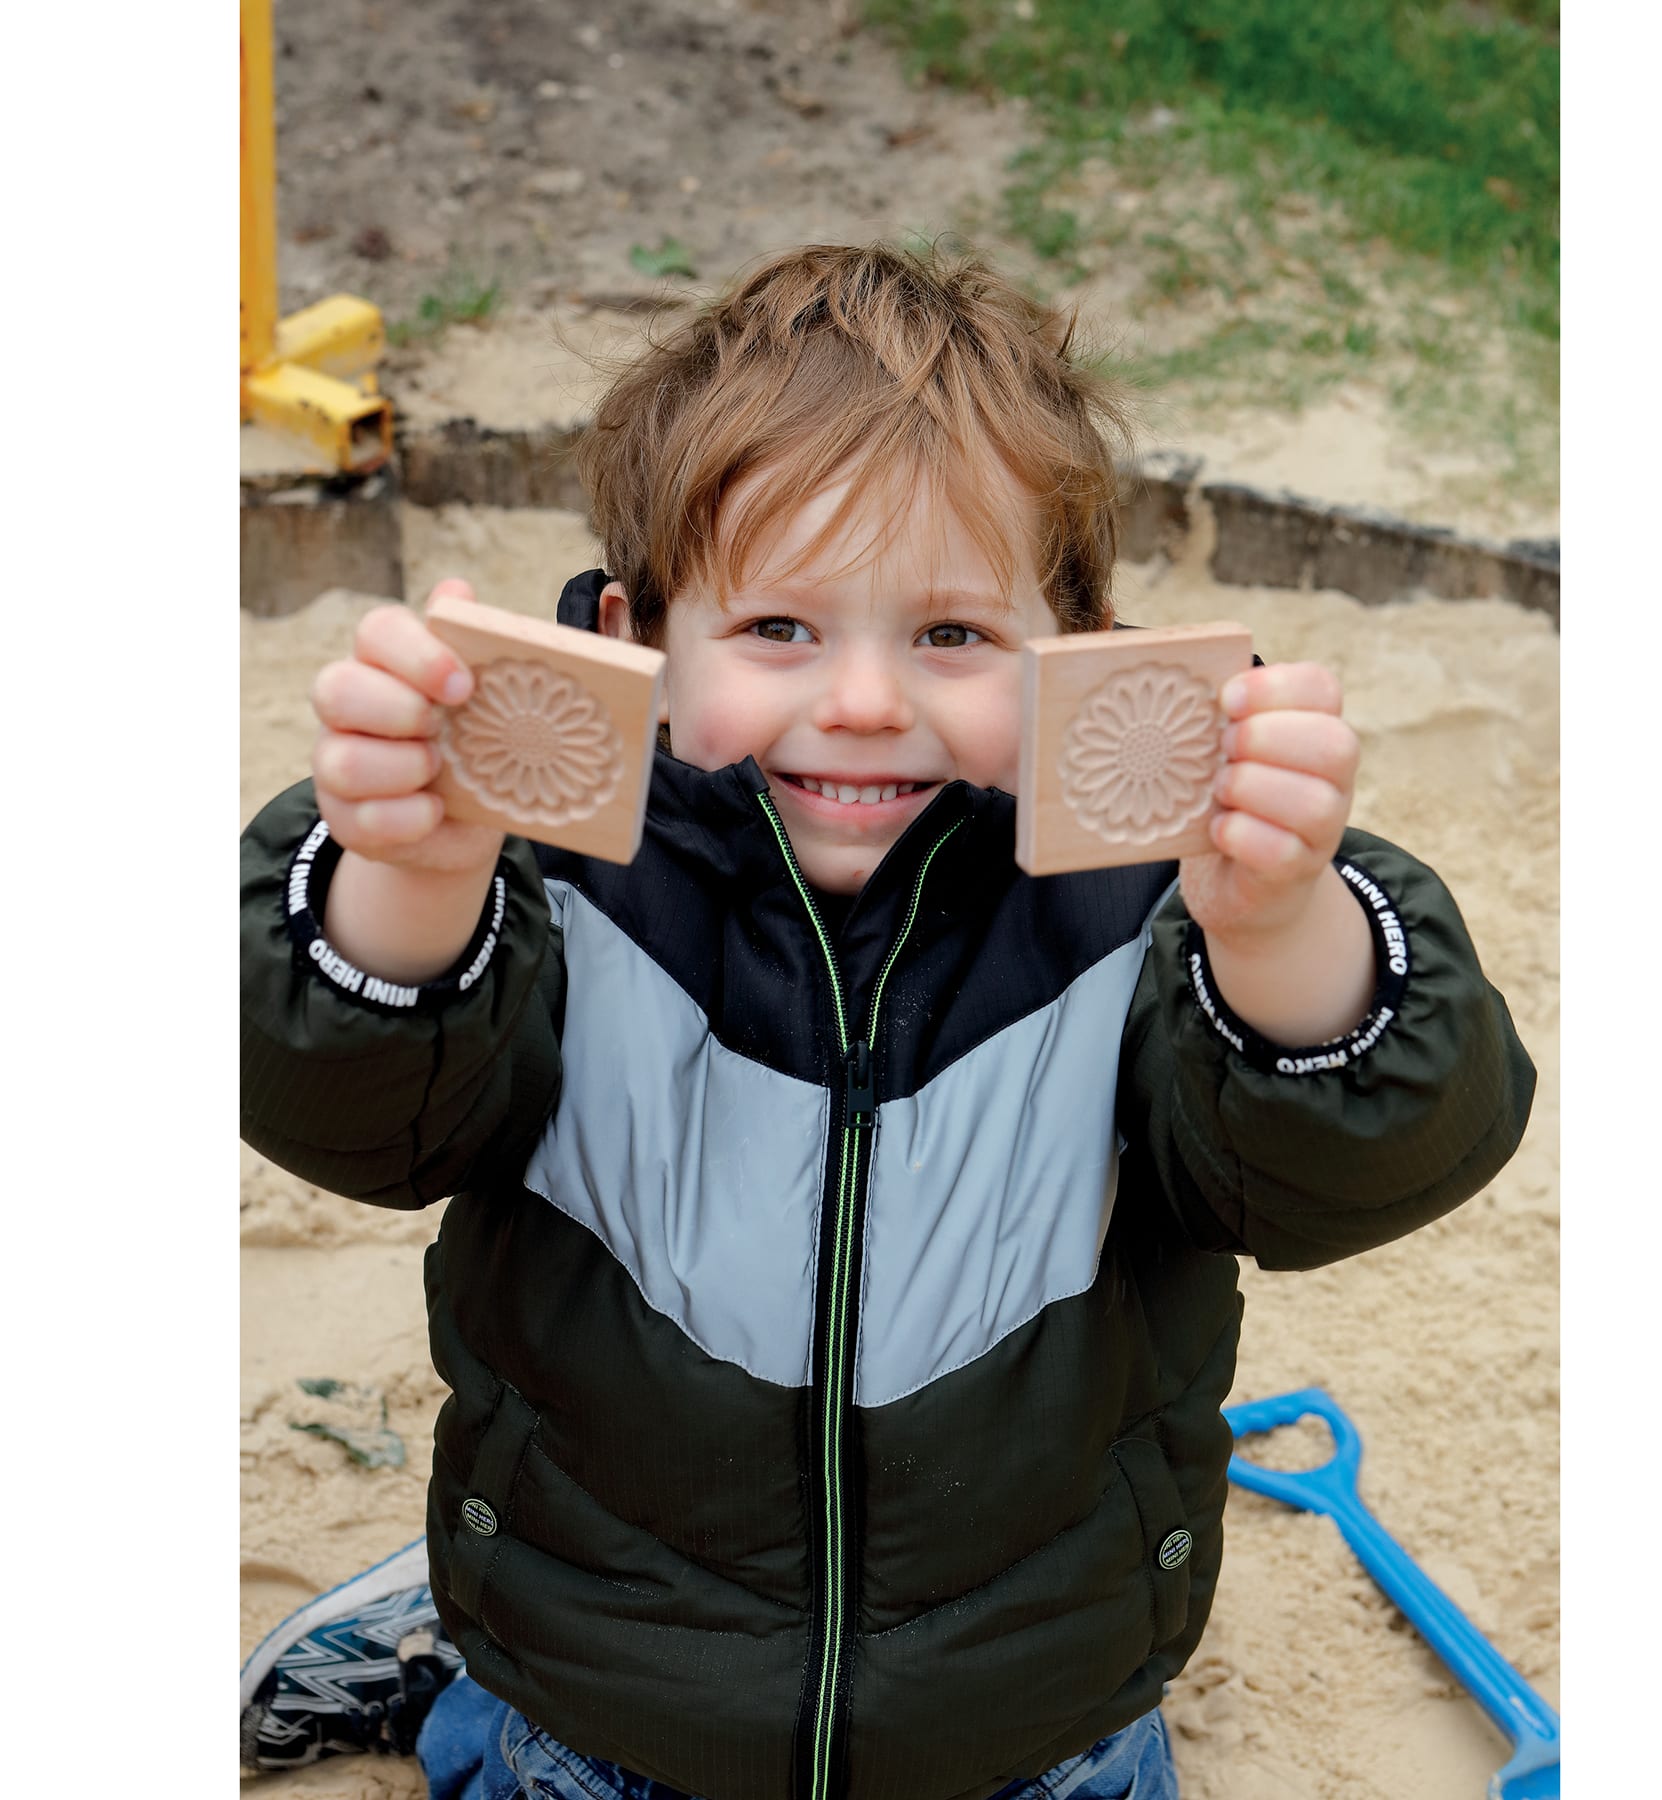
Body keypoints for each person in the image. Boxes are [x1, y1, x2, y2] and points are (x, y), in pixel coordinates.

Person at [240, 241, 1536, 1800]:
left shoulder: (1149, 892)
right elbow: (361, 1119)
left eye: (951, 636)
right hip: (609, 1668)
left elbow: (1353, 1169)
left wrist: (1276, 929)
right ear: (644, 639)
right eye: (780, 630)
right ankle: (447, 1657)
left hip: (1031, 1703)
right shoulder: (545, 859)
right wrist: (412, 876)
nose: (862, 700)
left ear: (1080, 644)